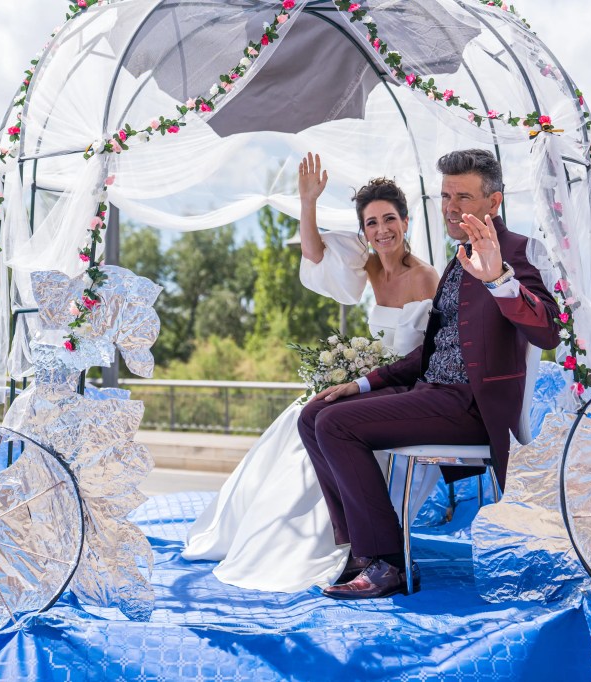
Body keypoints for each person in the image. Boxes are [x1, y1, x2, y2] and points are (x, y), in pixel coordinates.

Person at [298, 148, 562, 600]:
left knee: (335, 426)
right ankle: (362, 549)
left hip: (472, 407)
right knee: (315, 413)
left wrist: (499, 277)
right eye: (444, 196)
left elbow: (548, 330)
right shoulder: (457, 260)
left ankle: (387, 563)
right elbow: (431, 350)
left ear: (493, 203)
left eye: (463, 196)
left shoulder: (519, 252)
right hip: (432, 392)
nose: (451, 207)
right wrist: (362, 383)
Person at [182, 153, 439, 592]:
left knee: (328, 418)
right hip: (374, 376)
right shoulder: (371, 264)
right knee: (304, 414)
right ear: (364, 230)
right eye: (372, 223)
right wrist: (308, 204)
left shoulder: (427, 277)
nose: (382, 230)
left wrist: (363, 380)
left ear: (407, 221)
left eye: (390, 219)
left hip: (408, 385)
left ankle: (358, 547)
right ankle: (325, 538)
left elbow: (430, 354)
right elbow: (315, 254)